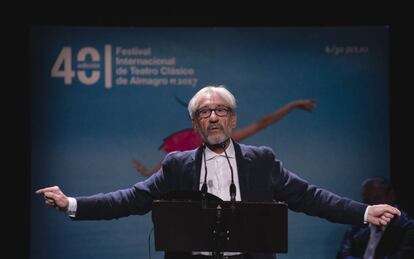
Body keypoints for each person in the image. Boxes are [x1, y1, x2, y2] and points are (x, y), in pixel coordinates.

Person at [36, 85, 401, 259]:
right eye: (204, 112)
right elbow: (131, 199)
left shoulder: (262, 160)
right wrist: (72, 203)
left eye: (221, 110)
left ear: (233, 119)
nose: (214, 116)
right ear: (195, 124)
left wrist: (365, 212)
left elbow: (311, 197)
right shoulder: (177, 165)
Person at [132, 98, 316, 176]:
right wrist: (148, 172)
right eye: (200, 114)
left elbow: (262, 123)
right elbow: (165, 164)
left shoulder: (225, 139)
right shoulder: (185, 145)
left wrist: (293, 105)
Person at [337, 177, 414, 259]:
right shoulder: (357, 225)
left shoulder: (408, 227)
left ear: (391, 196)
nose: (372, 205)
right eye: (367, 201)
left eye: (377, 198)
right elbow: (343, 255)